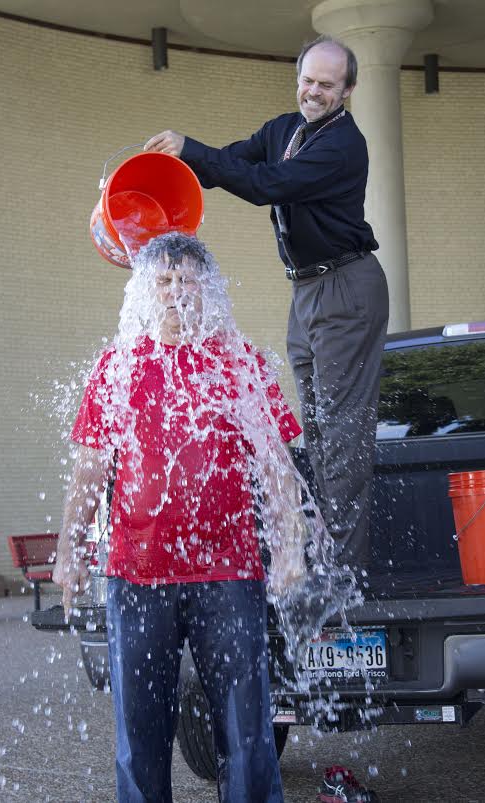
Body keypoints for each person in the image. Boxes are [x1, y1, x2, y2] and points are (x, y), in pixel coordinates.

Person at [52, 232, 303, 803]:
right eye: (163, 281)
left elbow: (275, 466)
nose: (175, 292)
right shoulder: (116, 366)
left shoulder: (240, 363)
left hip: (229, 573)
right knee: (140, 736)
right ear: (144, 289)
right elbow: (90, 471)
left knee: (247, 732)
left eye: (187, 280)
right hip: (137, 578)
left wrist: (290, 546)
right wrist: (70, 553)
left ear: (207, 289)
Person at [144, 35, 390, 567]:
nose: (314, 91)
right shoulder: (283, 129)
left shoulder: (344, 145)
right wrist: (173, 170)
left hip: (347, 287)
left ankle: (343, 576)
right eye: (307, 79)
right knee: (319, 430)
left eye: (327, 84)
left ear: (347, 90)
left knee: (341, 436)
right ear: (297, 76)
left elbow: (267, 184)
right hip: (305, 289)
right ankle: (328, 559)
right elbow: (228, 163)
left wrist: (194, 150)